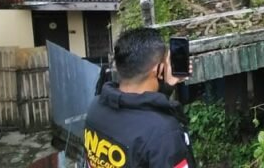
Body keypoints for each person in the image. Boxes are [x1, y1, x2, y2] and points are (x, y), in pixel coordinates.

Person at [84, 27, 196, 168]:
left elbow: (140, 115)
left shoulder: (95, 107)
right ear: (159, 70)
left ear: (119, 67)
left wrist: (166, 86)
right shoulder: (164, 133)